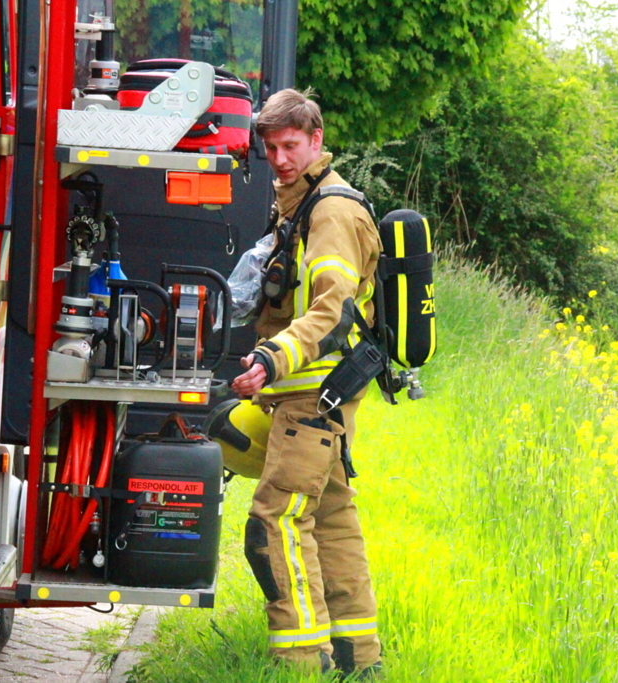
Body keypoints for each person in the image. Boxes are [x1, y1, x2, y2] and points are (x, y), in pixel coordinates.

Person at [230, 88, 383, 679]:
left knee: (277, 522)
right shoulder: (302, 202)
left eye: (290, 145)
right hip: (321, 396)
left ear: (316, 140)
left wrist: (272, 358)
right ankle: (358, 659)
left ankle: (298, 662)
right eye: (270, 148)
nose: (280, 158)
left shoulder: (331, 213)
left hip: (312, 396)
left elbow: (333, 308)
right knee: (334, 521)